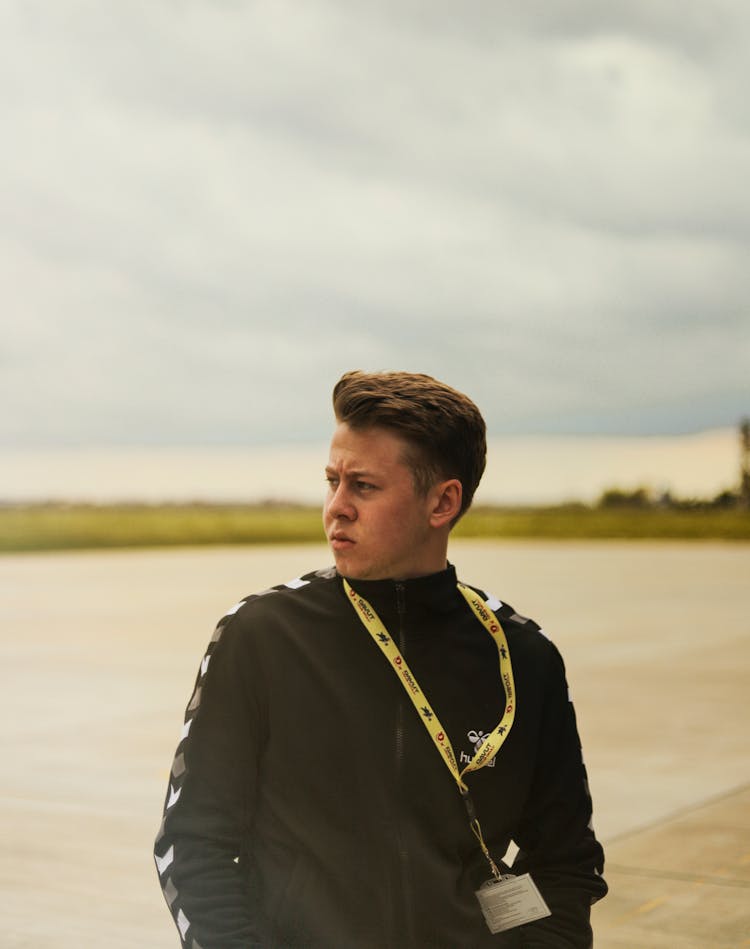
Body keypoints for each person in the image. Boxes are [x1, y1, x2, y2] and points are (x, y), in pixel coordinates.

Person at [155, 371, 607, 948]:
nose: (335, 509)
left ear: (443, 501)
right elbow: (193, 843)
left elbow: (566, 865)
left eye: (363, 487)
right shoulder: (261, 636)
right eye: (331, 481)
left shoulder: (523, 658)